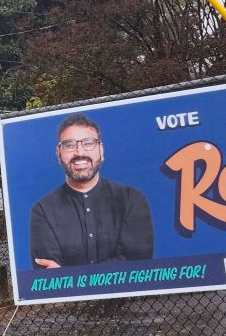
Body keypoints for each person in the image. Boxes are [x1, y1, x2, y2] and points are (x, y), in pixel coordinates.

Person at [29, 112, 153, 268]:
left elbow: (138, 261)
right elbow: (48, 271)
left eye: (88, 143)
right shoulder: (42, 210)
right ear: (58, 154)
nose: (80, 152)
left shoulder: (132, 200)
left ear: (101, 150)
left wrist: (70, 276)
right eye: (70, 145)